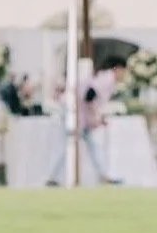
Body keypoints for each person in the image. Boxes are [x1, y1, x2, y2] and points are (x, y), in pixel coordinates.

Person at [46, 56, 126, 186]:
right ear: (118, 68)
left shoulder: (104, 77)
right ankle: (53, 177)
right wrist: (95, 116)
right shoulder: (107, 78)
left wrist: (95, 116)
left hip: (80, 115)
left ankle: (103, 176)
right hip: (76, 114)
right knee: (69, 146)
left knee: (91, 146)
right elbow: (89, 95)